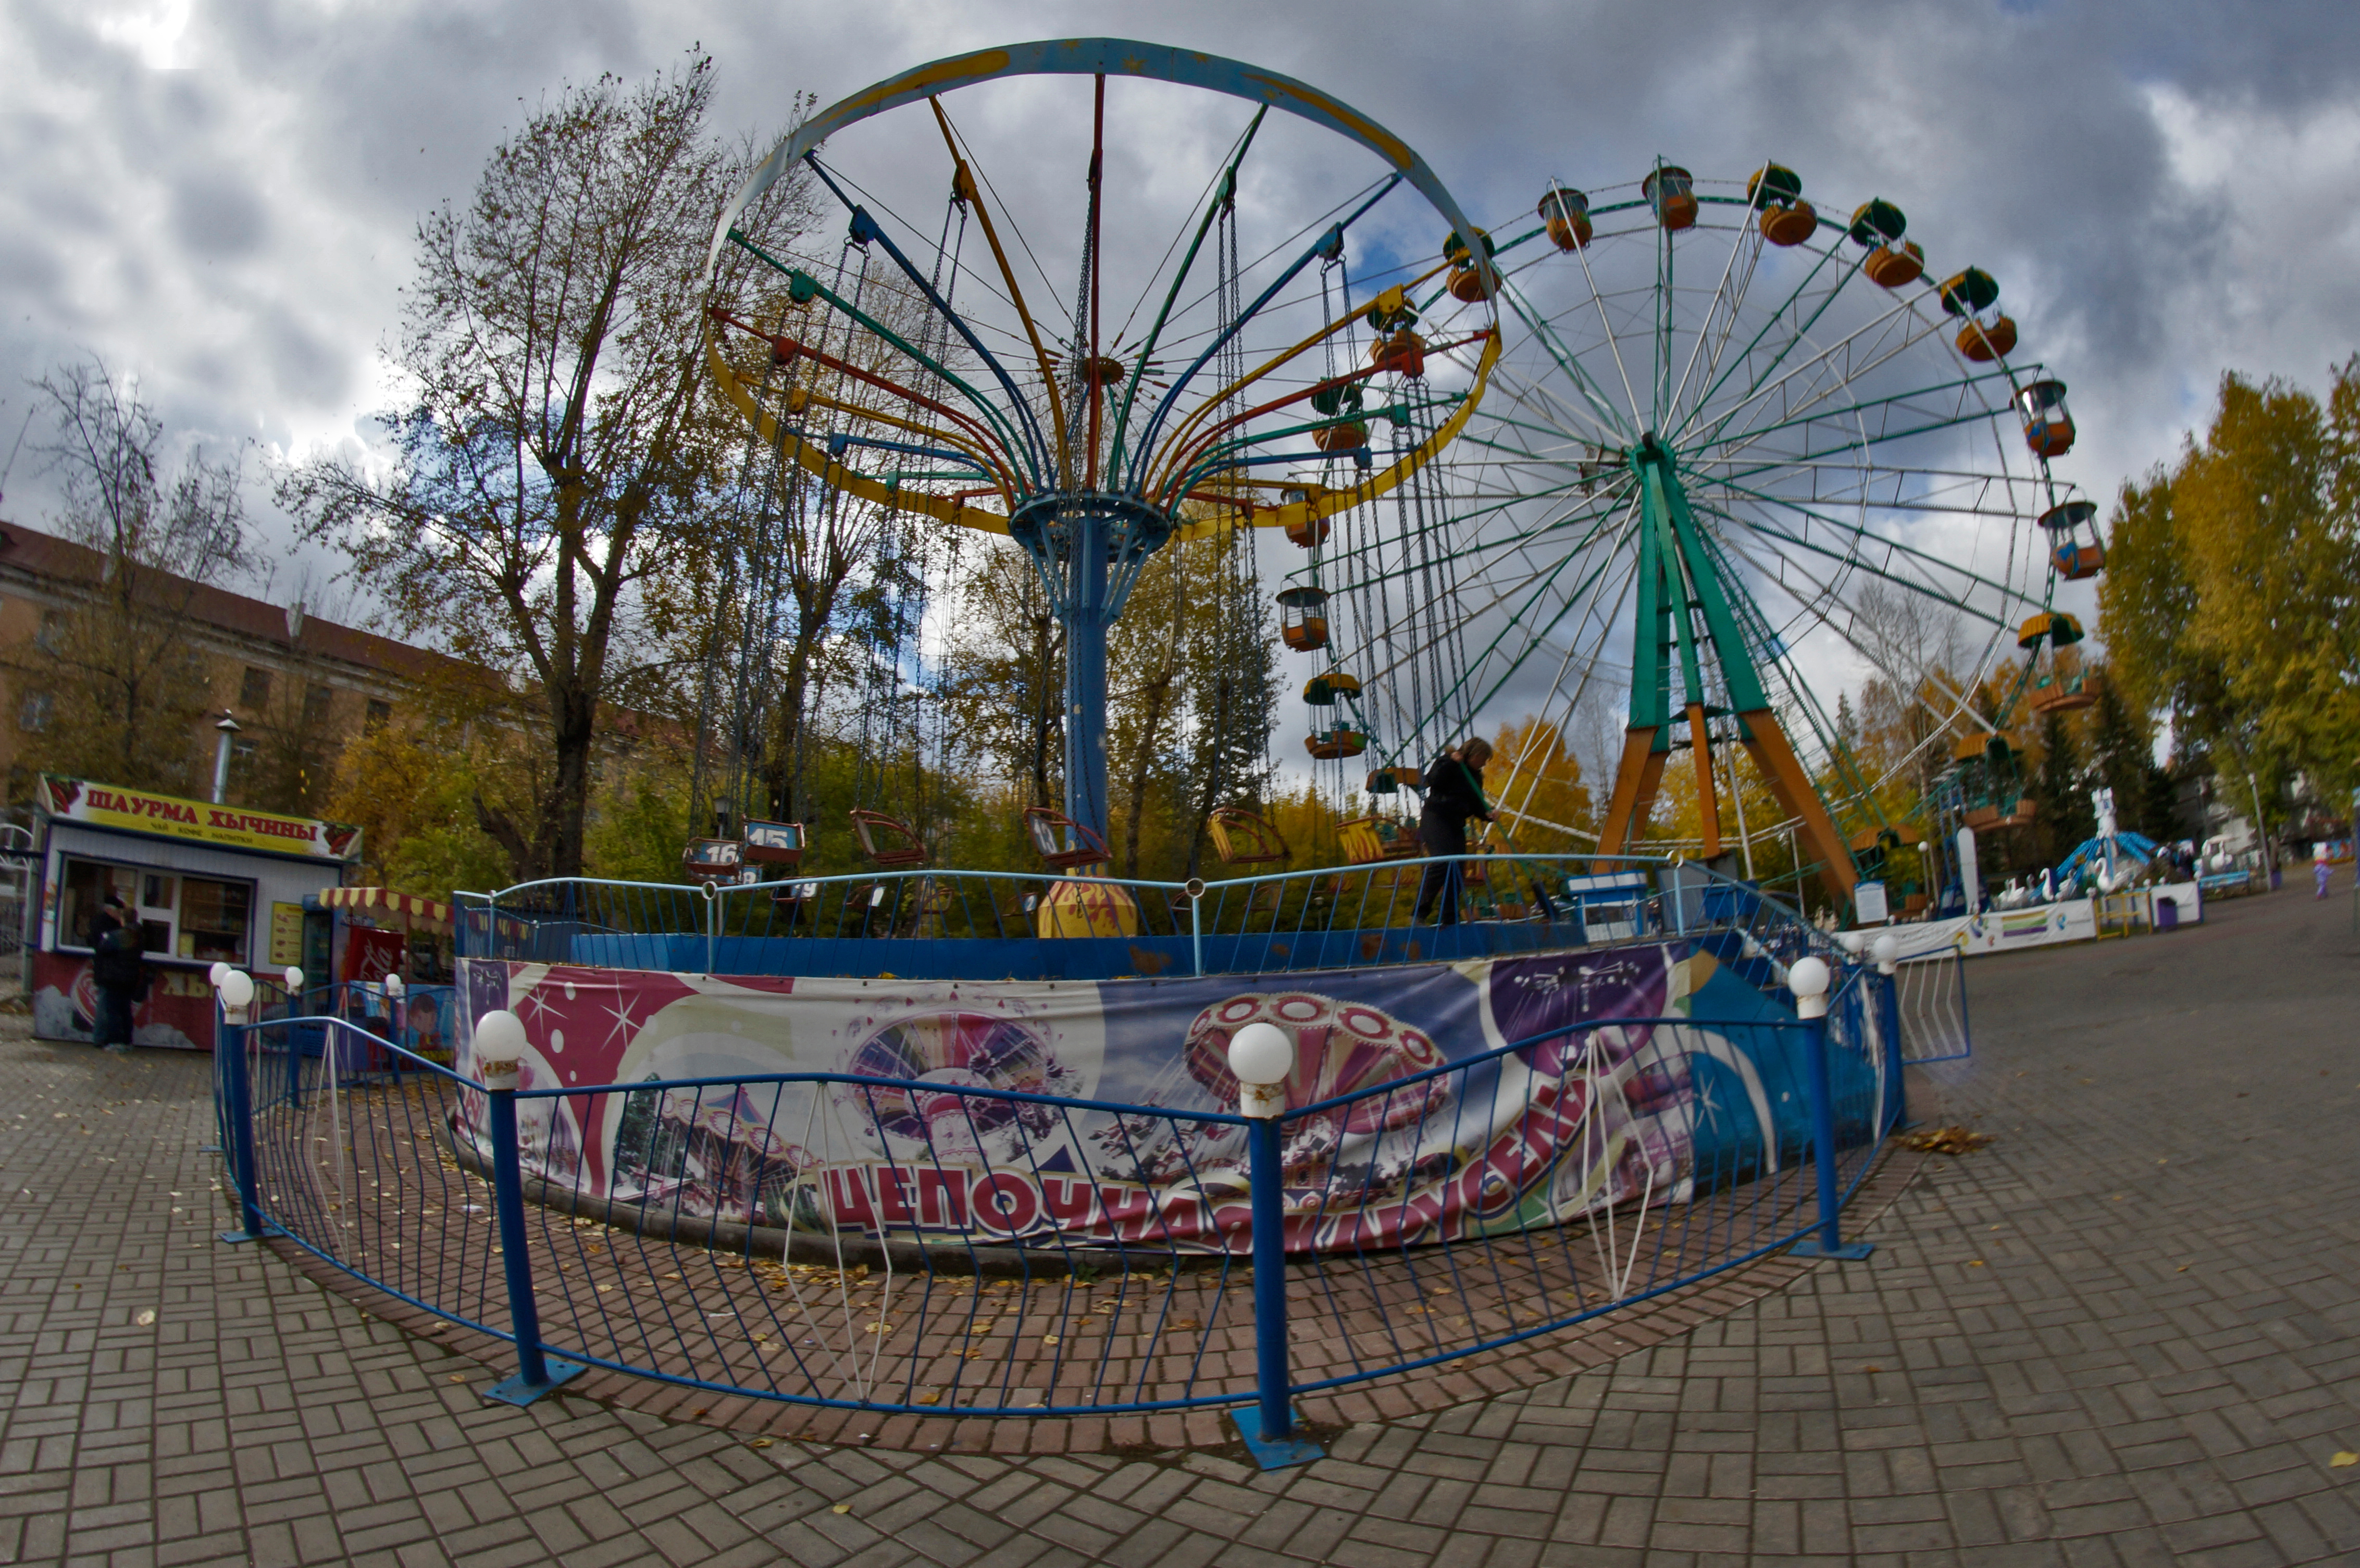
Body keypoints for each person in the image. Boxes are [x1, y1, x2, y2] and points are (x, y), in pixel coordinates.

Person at [1415, 738, 1493, 925]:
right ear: (1474, 754)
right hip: (1436, 817)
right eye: (1484, 758)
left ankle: (1450, 918)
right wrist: (1452, 763)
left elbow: (1475, 803)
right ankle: (1420, 912)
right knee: (1442, 861)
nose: (1485, 763)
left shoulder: (1476, 776)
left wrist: (1488, 814)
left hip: (1455, 823)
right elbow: (1432, 781)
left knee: (1457, 869)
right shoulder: (1447, 761)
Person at [90, 892, 145, 1053]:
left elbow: (103, 948)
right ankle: (127, 1041)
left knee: (113, 1011)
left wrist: (107, 938)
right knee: (126, 1011)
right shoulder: (139, 935)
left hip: (115, 977)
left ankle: (116, 1042)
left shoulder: (119, 935)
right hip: (130, 978)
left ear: (124, 919)